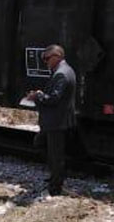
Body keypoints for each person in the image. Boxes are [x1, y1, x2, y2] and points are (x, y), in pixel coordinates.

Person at [25, 44, 77, 196]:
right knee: (42, 144)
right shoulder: (65, 70)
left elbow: (54, 98)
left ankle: (56, 187)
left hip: (56, 121)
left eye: (47, 58)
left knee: (55, 155)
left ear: (57, 56)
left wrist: (38, 96)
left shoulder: (61, 73)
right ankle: (55, 176)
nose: (45, 62)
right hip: (55, 120)